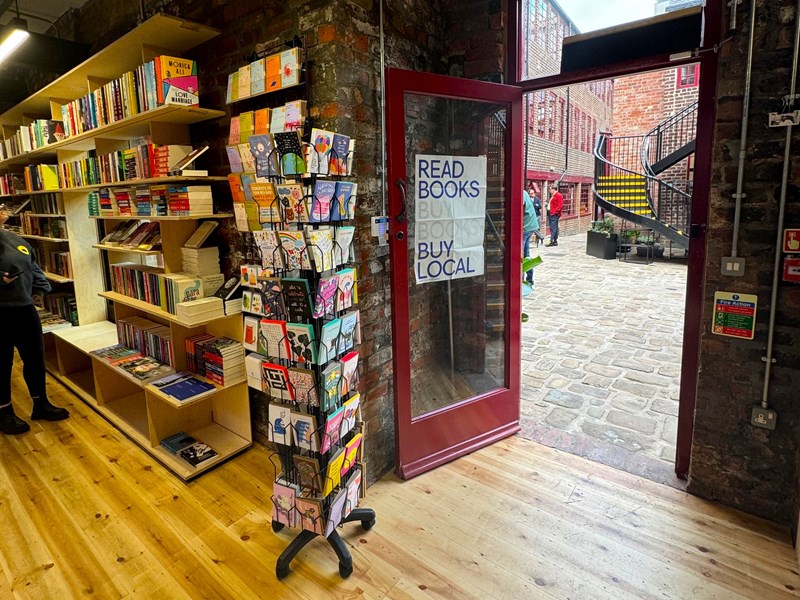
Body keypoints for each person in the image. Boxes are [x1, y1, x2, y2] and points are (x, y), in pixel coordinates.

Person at [0, 204, 69, 435]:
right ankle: (4, 413)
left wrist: (41, 286)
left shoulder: (13, 237)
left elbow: (32, 263)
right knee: (1, 364)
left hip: (24, 309)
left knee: (34, 359)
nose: (4, 211)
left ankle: (41, 404)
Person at [522, 190, 539, 286]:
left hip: (525, 226)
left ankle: (520, 281)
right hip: (531, 226)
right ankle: (529, 279)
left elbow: (520, 208)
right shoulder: (524, 192)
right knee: (526, 254)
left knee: (519, 256)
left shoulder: (519, 193)